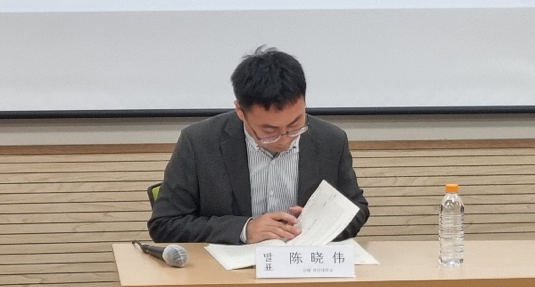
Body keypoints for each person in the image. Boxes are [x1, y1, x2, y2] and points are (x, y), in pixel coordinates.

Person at [148, 46, 370, 244]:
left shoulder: (331, 140)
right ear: (240, 111)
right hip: (226, 271)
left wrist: (322, 224)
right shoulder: (199, 142)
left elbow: (357, 210)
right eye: (269, 131)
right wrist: (245, 229)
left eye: (295, 125)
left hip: (302, 266)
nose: (284, 138)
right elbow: (165, 224)